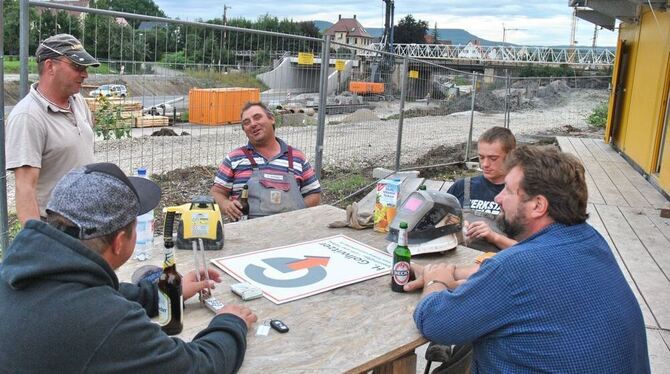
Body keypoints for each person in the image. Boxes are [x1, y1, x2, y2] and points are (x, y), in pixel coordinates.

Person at [407, 145, 650, 373]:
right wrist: (459, 277)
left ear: (538, 205)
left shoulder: (517, 266)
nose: (498, 198)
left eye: (509, 191)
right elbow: (533, 292)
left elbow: (435, 322)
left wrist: (435, 280)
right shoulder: (590, 239)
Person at [0, 162, 257, 373]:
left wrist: (165, 293)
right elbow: (198, 367)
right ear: (120, 241)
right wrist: (229, 323)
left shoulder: (21, 269)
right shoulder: (106, 321)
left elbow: (94, 292)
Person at [6, 34, 100, 225]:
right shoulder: (28, 117)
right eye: (77, 67)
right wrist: (37, 242)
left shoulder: (77, 101)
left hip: (86, 220)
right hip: (57, 228)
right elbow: (25, 189)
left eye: (85, 68)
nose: (85, 74)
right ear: (50, 66)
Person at [211, 101, 321, 220]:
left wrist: (295, 215)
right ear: (244, 130)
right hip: (246, 234)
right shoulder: (234, 159)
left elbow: (314, 193)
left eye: (257, 117)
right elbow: (217, 192)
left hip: (290, 231)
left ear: (272, 119)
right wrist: (226, 205)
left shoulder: (297, 158)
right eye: (246, 123)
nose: (253, 124)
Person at [447, 126, 517, 251]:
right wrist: (455, 225)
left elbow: (530, 251)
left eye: (493, 158)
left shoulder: (522, 195)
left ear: (511, 156)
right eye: (481, 157)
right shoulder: (462, 186)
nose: (485, 164)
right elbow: (437, 224)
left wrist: (494, 237)